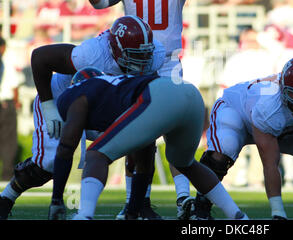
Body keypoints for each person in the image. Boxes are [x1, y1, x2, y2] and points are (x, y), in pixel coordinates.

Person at [80, 0, 223, 220]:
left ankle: (183, 197)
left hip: (168, 62)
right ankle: (137, 202)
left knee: (176, 130)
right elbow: (102, 2)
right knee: (138, 135)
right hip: (133, 63)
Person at [0, 15, 165, 220]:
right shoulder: (92, 54)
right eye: (133, 55)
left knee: (142, 136)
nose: (141, 62)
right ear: (115, 49)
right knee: (48, 164)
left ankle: (136, 206)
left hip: (106, 102)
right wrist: (49, 107)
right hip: (65, 101)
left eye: (144, 55)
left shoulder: (154, 54)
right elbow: (40, 57)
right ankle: (6, 198)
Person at [55, 68, 248, 220]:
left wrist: (56, 199)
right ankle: (238, 216)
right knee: (186, 164)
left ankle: (84, 215)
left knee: (96, 154)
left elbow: (66, 147)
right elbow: (145, 159)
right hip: (190, 93)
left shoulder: (75, 94)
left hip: (159, 94)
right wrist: (133, 209)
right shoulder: (116, 90)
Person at [191, 56, 293, 220]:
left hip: (280, 126)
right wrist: (278, 212)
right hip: (237, 112)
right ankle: (199, 207)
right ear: (282, 88)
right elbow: (270, 164)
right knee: (225, 147)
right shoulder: (268, 105)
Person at [0, 37, 24, 181]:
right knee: (8, 141)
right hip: (6, 104)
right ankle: (7, 175)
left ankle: (7, 173)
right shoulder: (7, 63)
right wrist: (16, 102)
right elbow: (15, 85)